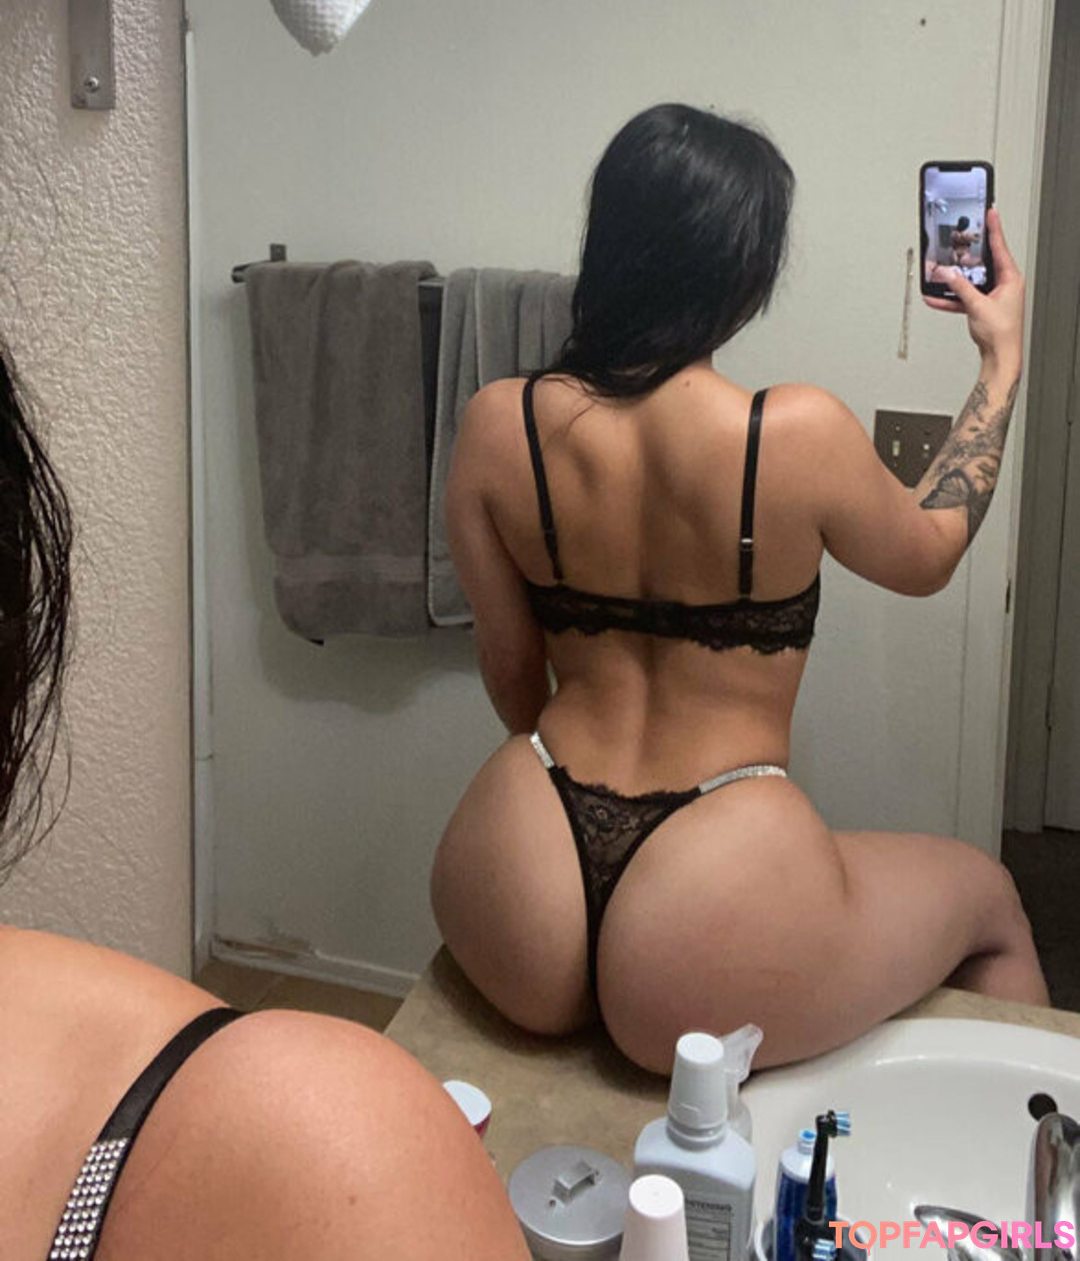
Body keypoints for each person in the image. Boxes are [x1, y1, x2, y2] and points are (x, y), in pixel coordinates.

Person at [431, 104, 1046, 1076]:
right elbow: (930, 552)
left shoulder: (496, 423)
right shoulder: (795, 432)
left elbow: (513, 679)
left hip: (524, 850)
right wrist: (1000, 358)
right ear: (746, 271)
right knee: (992, 899)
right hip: (715, 886)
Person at [0, 344, 526, 1260]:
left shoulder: (507, 419)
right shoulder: (321, 1144)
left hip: (542, 807)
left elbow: (514, 670)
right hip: (721, 834)